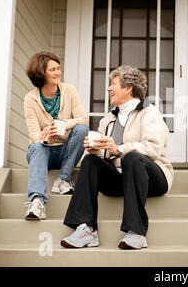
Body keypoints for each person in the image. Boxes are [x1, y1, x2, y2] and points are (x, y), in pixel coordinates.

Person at [61, 65, 173, 249]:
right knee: (90, 161)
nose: (108, 89)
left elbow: (153, 148)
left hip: (152, 178)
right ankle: (86, 229)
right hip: (119, 180)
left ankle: (136, 232)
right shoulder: (108, 119)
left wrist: (119, 149)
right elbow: (107, 153)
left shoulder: (149, 112)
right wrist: (95, 151)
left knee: (132, 157)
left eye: (113, 84)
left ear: (128, 88)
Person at [23, 51, 89, 220]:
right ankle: (37, 201)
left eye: (58, 68)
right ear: (40, 73)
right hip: (42, 152)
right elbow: (33, 134)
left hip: (64, 152)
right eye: (53, 69)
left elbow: (82, 119)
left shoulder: (69, 90)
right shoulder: (30, 99)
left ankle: (63, 180)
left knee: (82, 129)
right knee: (38, 145)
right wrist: (45, 139)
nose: (58, 72)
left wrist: (65, 124)